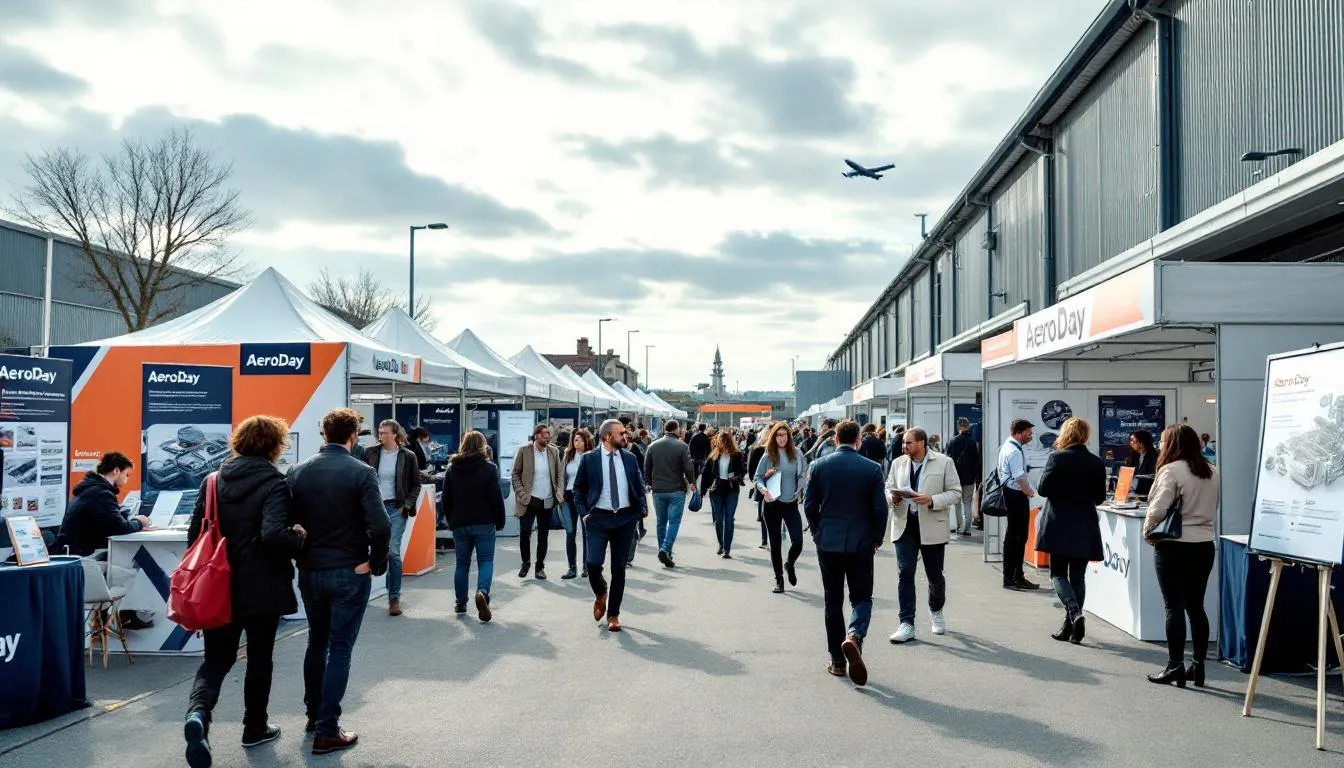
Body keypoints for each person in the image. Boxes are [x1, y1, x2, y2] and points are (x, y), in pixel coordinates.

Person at [183, 416, 307, 768]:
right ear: (274, 446)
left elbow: (195, 537)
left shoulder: (212, 481)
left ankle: (198, 715)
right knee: (260, 657)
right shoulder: (275, 482)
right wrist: (297, 535)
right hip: (262, 586)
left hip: (217, 586)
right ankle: (254, 727)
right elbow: (272, 535)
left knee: (216, 660)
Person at [288, 407, 390, 756]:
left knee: (317, 642)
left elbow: (289, 523)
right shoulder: (362, 472)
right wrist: (374, 564)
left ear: (323, 435)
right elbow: (380, 525)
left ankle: (314, 715)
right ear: (353, 436)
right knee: (340, 646)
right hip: (349, 570)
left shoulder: (297, 471)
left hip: (311, 570)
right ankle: (327, 728)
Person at [803, 420, 887, 686]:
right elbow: (879, 509)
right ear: (859, 439)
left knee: (832, 600)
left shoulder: (818, 466)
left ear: (835, 439)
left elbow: (809, 505)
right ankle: (855, 635)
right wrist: (876, 538)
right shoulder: (872, 469)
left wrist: (817, 532)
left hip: (828, 541)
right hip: (861, 542)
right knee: (862, 597)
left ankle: (838, 662)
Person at [1143, 424, 1219, 688]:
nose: (1161, 446)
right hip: (1204, 544)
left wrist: (1148, 530)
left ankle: (1174, 665)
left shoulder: (1170, 470)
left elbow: (1158, 508)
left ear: (1173, 444)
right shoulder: (1212, 471)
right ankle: (1198, 666)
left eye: (1163, 441)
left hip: (1174, 545)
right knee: (1196, 606)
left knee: (1173, 606)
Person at [886, 428, 962, 644]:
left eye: (908, 443)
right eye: (903, 443)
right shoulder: (898, 463)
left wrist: (932, 499)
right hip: (904, 526)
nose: (904, 446)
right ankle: (906, 623)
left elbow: (956, 493)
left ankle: (936, 610)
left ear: (921, 443)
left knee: (934, 575)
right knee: (905, 572)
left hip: (932, 526)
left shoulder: (944, 462)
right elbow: (888, 487)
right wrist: (894, 499)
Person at [1034, 417, 1106, 644]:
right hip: (1085, 523)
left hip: (1059, 523)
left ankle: (1074, 613)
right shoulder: (1096, 462)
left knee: (1057, 573)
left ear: (1065, 434)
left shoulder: (1057, 458)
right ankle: (1070, 629)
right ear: (1085, 435)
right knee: (1078, 576)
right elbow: (1100, 497)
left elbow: (1043, 489)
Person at [573, 419, 648, 632]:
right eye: (621, 433)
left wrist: (639, 510)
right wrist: (585, 514)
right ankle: (600, 592)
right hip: (598, 518)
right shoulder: (590, 459)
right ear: (608, 437)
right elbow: (578, 489)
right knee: (593, 563)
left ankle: (613, 614)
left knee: (619, 569)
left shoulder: (630, 458)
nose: (626, 436)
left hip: (625, 518)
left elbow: (638, 485)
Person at [442, 431, 505, 621]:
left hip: (460, 522)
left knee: (462, 564)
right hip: (484, 521)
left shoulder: (452, 468)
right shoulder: (489, 468)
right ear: (482, 446)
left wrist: (451, 519)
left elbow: (446, 499)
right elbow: (496, 498)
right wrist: (500, 521)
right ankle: (482, 592)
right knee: (486, 561)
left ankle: (461, 602)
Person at [361, 420, 420, 616]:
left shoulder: (407, 456)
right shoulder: (370, 453)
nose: (381, 435)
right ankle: (362, 593)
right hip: (373, 508)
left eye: (385, 432)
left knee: (393, 552)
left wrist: (407, 505)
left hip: (396, 508)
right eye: (380, 432)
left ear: (395, 434)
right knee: (366, 550)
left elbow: (415, 484)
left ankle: (393, 597)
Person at [54, 451, 153, 556]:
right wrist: (139, 522)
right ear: (116, 471)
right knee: (133, 565)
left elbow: (109, 522)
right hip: (83, 556)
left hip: (72, 552)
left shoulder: (89, 489)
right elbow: (120, 528)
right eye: (126, 474)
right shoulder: (101, 494)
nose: (126, 480)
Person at [754, 422, 808, 593]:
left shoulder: (797, 453)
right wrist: (764, 490)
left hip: (790, 503)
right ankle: (779, 579)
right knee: (775, 544)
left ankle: (789, 564)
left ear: (789, 436)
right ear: (773, 437)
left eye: (785, 435)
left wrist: (799, 489)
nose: (782, 438)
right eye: (779, 435)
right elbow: (757, 478)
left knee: (798, 541)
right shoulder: (768, 455)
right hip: (772, 504)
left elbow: (802, 475)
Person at [510, 424, 564, 580]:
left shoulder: (553, 452)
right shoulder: (524, 450)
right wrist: (521, 493)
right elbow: (515, 474)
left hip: (547, 500)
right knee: (525, 532)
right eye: (544, 434)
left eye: (548, 434)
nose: (547, 437)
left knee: (543, 535)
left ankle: (540, 567)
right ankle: (525, 562)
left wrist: (558, 492)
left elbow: (559, 474)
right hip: (529, 499)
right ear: (536, 436)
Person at [643, 419, 695, 568]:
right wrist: (691, 483)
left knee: (661, 522)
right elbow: (688, 467)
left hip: (658, 490)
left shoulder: (653, 446)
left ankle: (664, 550)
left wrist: (648, 483)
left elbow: (647, 467)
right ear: (676, 429)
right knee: (673, 522)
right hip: (676, 489)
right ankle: (666, 549)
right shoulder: (682, 446)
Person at [998, 419, 1040, 591]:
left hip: (1012, 494)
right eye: (1028, 432)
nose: (1030, 435)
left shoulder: (1007, 447)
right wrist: (1029, 491)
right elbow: (1019, 477)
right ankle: (1013, 577)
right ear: (1018, 432)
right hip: (1016, 495)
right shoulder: (1013, 450)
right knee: (1017, 537)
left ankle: (1015, 575)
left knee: (1015, 537)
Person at [700, 430, 746, 558]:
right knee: (719, 520)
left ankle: (727, 549)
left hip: (732, 489)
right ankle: (721, 544)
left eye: (724, 442)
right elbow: (706, 473)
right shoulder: (714, 455)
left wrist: (737, 477)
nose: (722, 444)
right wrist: (702, 491)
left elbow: (742, 470)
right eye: (720, 442)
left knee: (729, 519)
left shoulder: (736, 455)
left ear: (729, 442)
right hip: (717, 489)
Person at [560, 429, 595, 579]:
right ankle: (571, 567)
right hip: (568, 497)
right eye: (575, 440)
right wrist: (559, 494)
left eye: (579, 439)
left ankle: (587, 566)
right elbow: (562, 476)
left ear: (586, 441)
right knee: (570, 532)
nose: (576, 442)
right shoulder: (568, 455)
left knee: (587, 533)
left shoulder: (592, 457)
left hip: (585, 498)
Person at [943, 418, 981, 537]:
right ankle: (968, 529)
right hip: (969, 478)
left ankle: (959, 526)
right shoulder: (972, 443)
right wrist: (977, 478)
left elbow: (946, 460)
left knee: (957, 503)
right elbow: (976, 462)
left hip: (954, 478)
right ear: (968, 426)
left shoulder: (951, 441)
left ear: (958, 426)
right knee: (967, 503)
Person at [1124, 430, 1158, 497]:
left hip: (1147, 495)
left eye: (1133, 441)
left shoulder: (1154, 457)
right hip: (1132, 494)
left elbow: (1151, 477)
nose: (1131, 443)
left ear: (1142, 443)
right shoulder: (1133, 456)